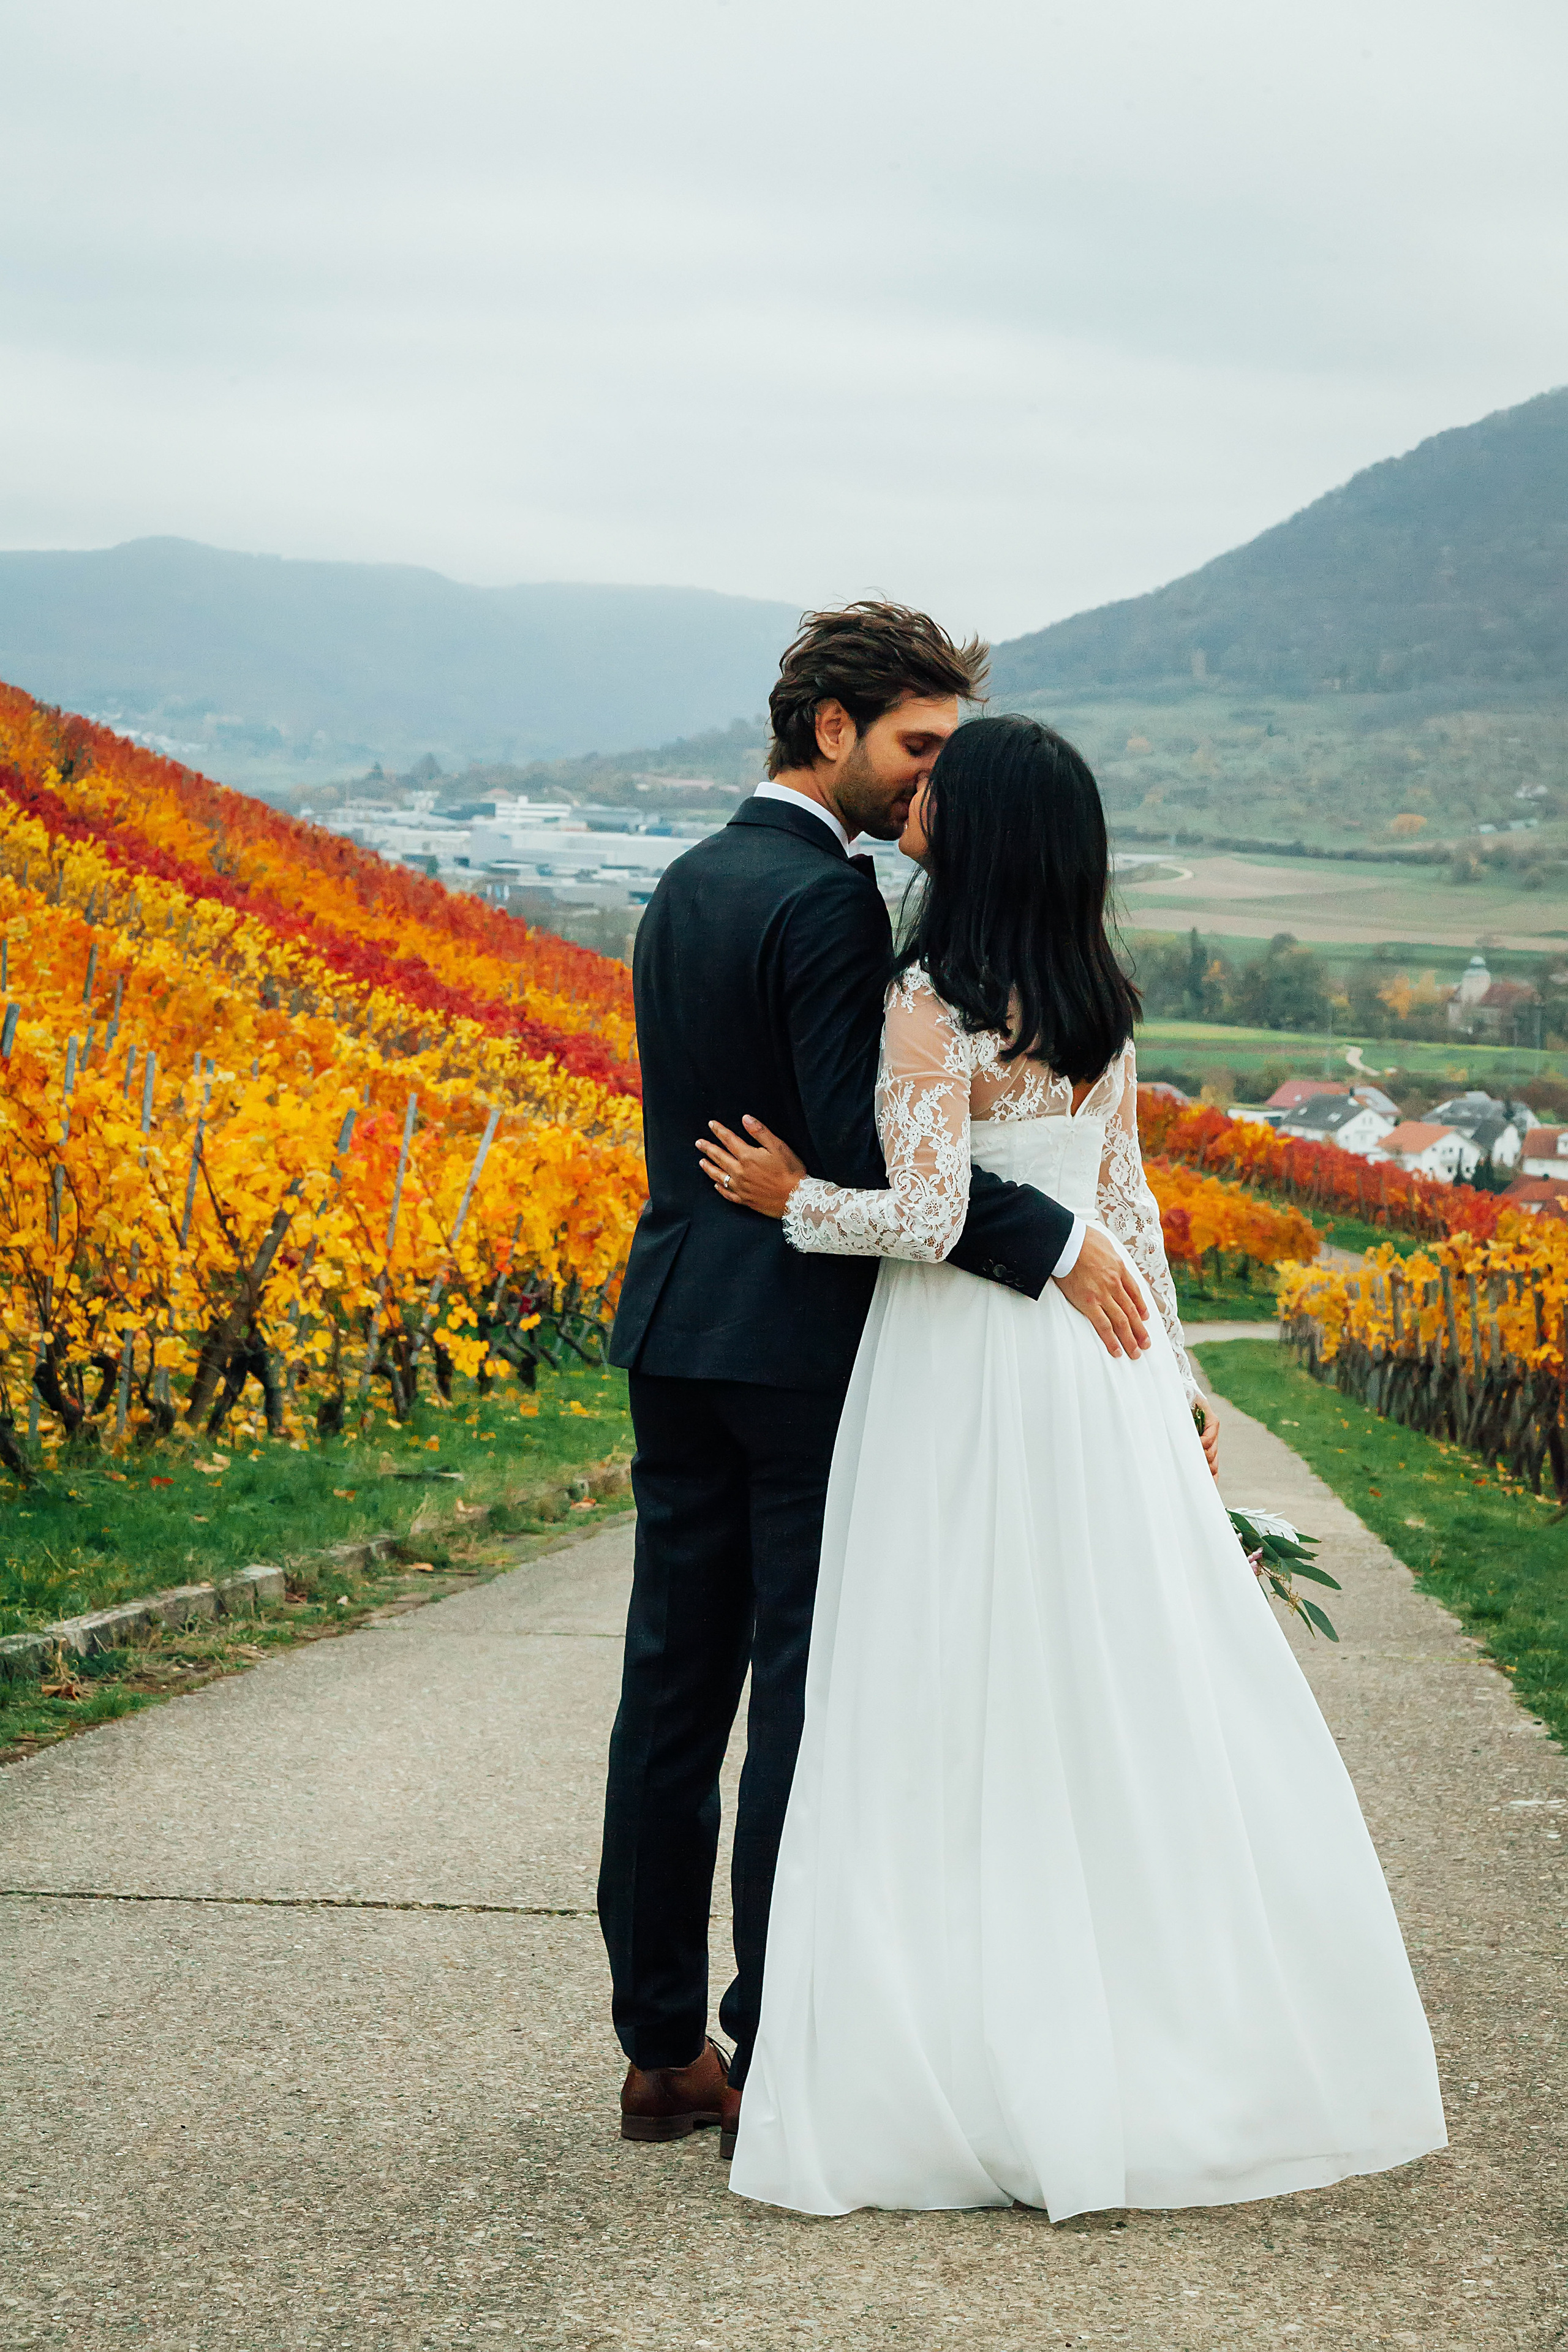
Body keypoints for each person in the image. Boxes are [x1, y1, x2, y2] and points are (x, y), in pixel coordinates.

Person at [697, 714, 1447, 2217]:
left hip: (959, 1374)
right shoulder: (1095, 998)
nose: (918, 802)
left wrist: (792, 1198)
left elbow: (919, 1218)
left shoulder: (929, 1002)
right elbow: (1129, 1200)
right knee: (1102, 1678)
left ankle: (957, 2049)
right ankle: (1146, 2034)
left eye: (941, 794)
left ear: (978, 835)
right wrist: (1169, 1371)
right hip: (1089, 1377)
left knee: (944, 1686)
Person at [600, 608, 1153, 2153]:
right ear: (830, 728)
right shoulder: (836, 912)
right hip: (795, 1343)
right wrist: (1052, 1232)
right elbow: (871, 1164)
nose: (929, 790)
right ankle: (776, 2042)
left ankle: (655, 2053)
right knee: (802, 1693)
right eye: (915, 747)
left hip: (673, 1331)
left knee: (666, 1687)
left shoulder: (685, 883)